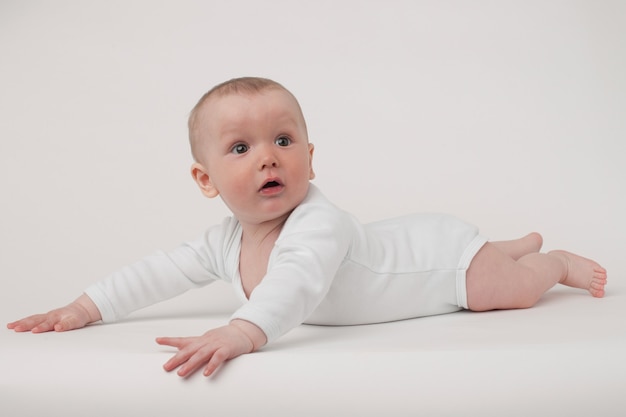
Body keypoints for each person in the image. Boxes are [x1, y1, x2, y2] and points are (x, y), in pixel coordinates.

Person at [7, 77, 608, 378]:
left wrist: (245, 331)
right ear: (205, 178)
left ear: (311, 158)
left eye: (283, 140)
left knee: (506, 291)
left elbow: (294, 283)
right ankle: (506, 247)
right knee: (487, 260)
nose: (268, 156)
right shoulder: (225, 241)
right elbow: (160, 271)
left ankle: (550, 261)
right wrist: (86, 308)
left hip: (440, 260)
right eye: (240, 147)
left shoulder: (316, 224)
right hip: (418, 243)